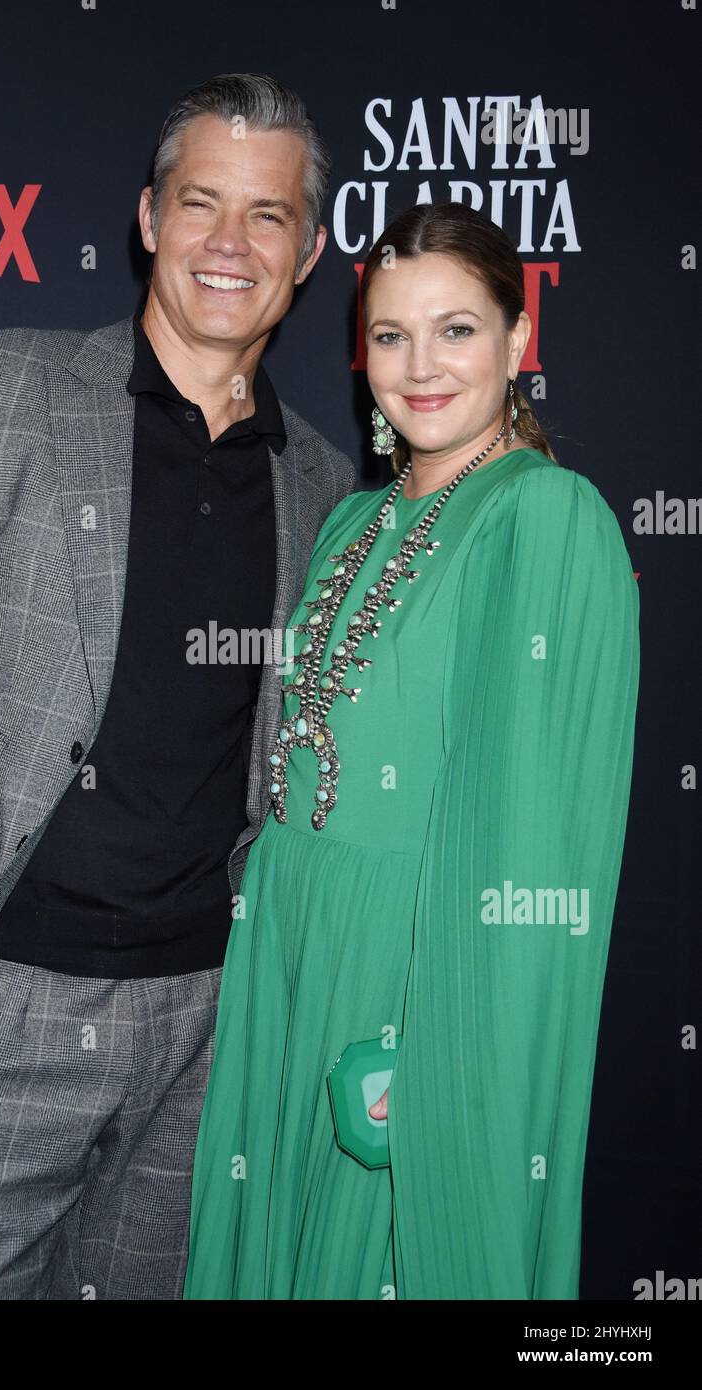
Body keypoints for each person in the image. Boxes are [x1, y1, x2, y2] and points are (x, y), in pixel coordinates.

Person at [0, 72, 355, 1299]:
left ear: (308, 250)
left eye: (266, 215)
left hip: (202, 1033)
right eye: (200, 202)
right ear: (147, 219)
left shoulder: (323, 487)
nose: (230, 241)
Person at [183, 200, 640, 1300]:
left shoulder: (545, 519)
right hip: (288, 966)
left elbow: (527, 853)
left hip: (410, 987)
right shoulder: (351, 522)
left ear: (517, 341)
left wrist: (433, 1067)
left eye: (456, 330)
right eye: (389, 335)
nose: (418, 366)